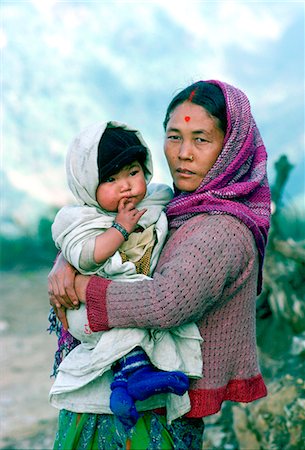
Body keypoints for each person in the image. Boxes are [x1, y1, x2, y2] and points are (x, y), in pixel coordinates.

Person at [48, 80, 271, 449]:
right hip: (127, 402)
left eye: (201, 139)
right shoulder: (182, 207)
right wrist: (67, 262)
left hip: (157, 413)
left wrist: (82, 286)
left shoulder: (222, 229)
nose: (183, 153)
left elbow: (164, 303)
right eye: (173, 136)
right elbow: (111, 231)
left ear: (232, 146)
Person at [48, 121, 203, 440]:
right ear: (87, 184)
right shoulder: (77, 220)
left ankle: (124, 386)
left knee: (135, 305)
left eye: (132, 172)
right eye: (110, 179)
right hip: (85, 310)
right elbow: (87, 255)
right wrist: (118, 229)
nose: (126, 186)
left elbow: (165, 198)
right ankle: (135, 377)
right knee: (132, 305)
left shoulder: (151, 204)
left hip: (123, 302)